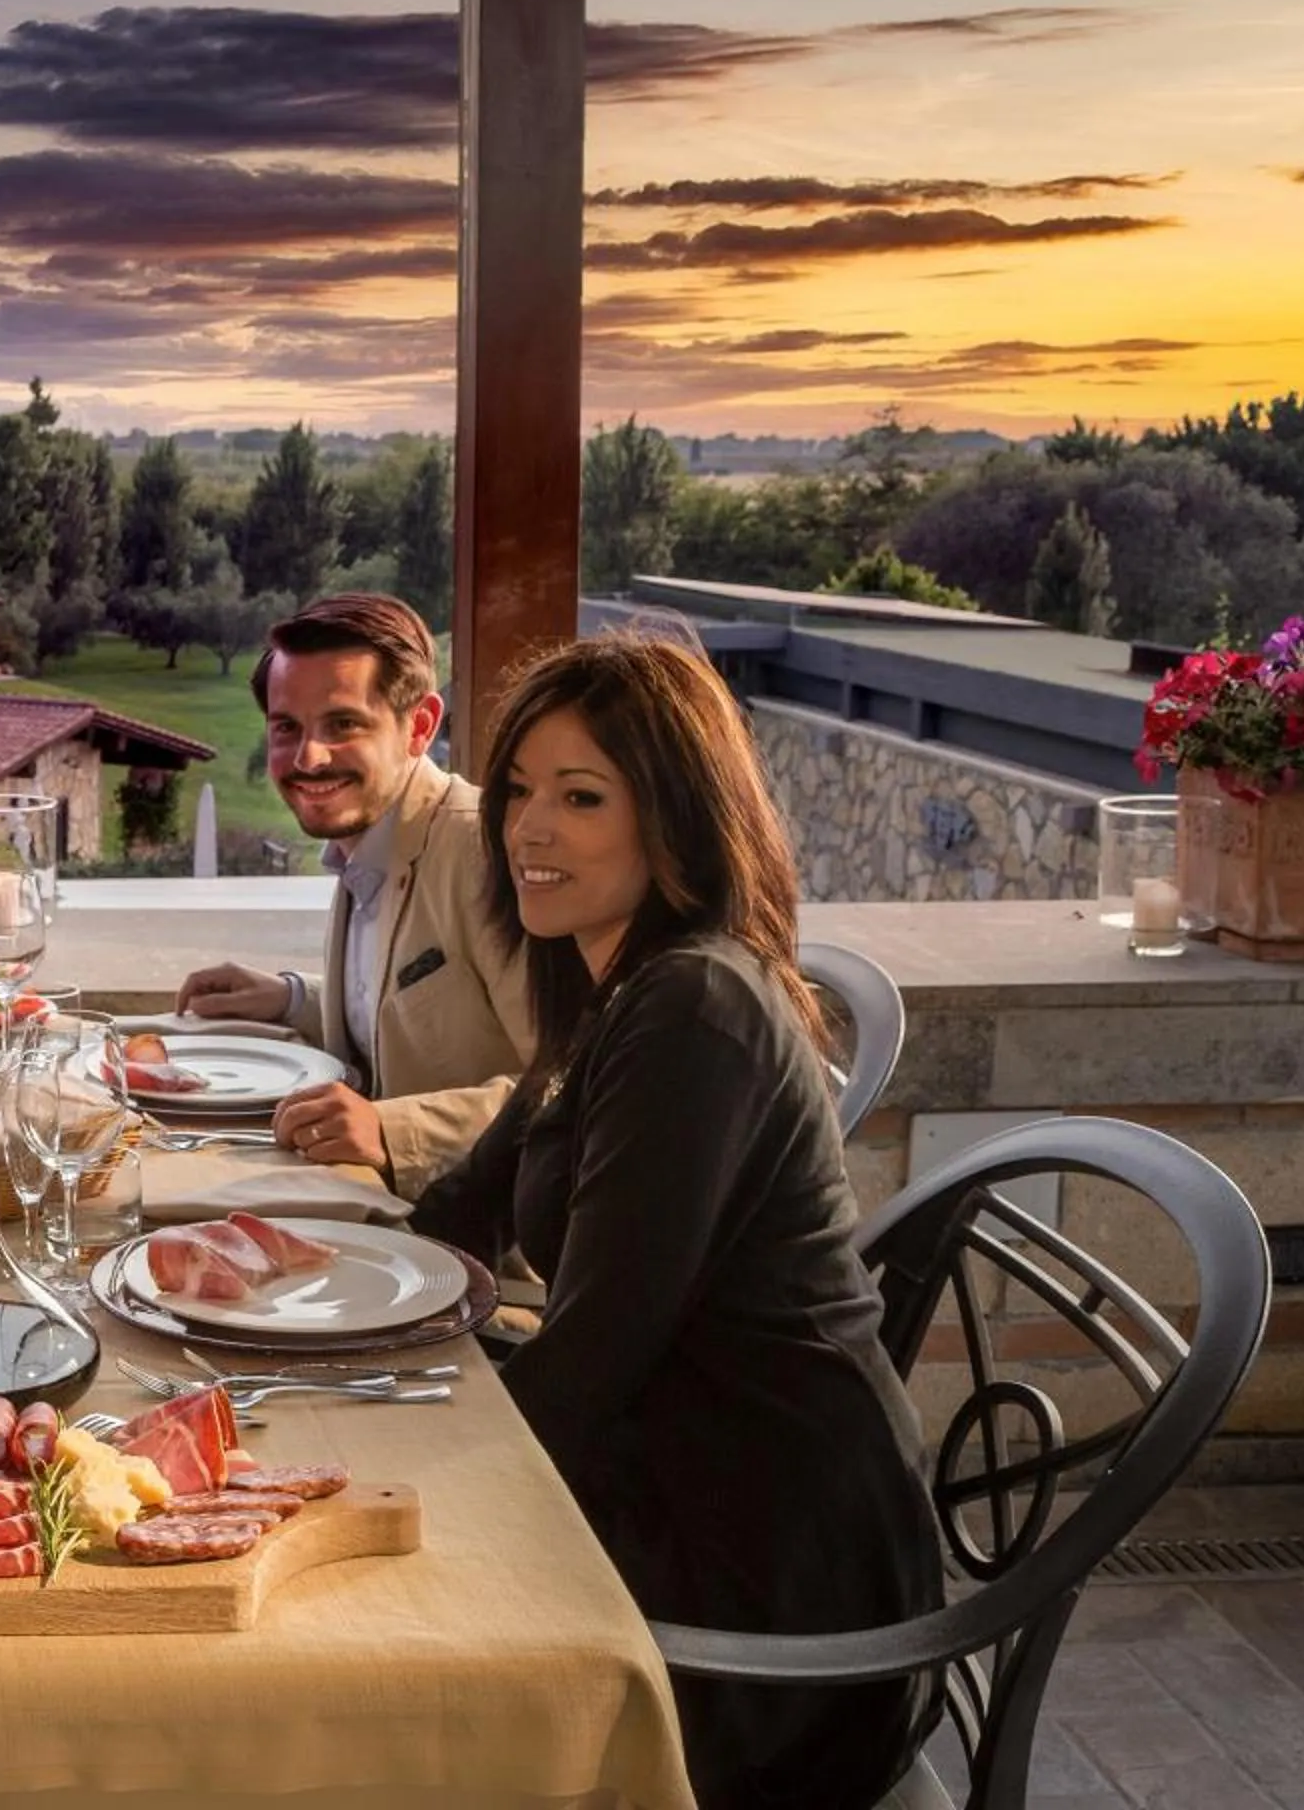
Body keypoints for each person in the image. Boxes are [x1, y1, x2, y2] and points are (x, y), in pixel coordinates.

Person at [408, 631, 941, 1808]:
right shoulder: (612, 984)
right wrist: (282, 1288)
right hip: (679, 1477)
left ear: (675, 818)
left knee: (371, 1670)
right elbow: (459, 1211)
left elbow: (595, 1356)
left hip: (767, 1590)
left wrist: (386, 1474)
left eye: (581, 797)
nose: (528, 831)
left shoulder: (693, 1004)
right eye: (520, 794)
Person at [172, 593, 532, 1195]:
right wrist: (291, 1000)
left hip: (479, 1253)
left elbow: (571, 1086)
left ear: (419, 726)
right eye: (288, 728)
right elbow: (413, 1011)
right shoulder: (364, 844)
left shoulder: (484, 852)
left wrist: (393, 1130)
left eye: (343, 724)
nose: (308, 758)